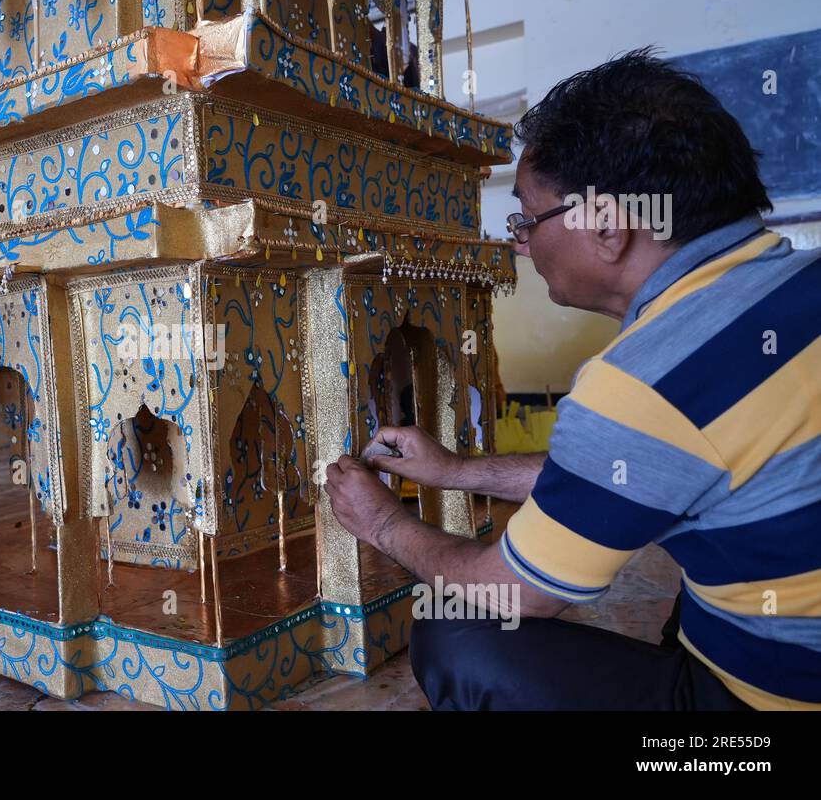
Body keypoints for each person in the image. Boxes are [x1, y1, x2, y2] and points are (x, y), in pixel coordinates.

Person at [325, 48, 820, 710]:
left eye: (530, 218)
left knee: (462, 632)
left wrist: (384, 523)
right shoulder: (796, 281)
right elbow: (632, 470)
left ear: (607, 226)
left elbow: (513, 588)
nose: (522, 243)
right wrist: (457, 470)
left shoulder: (646, 379)